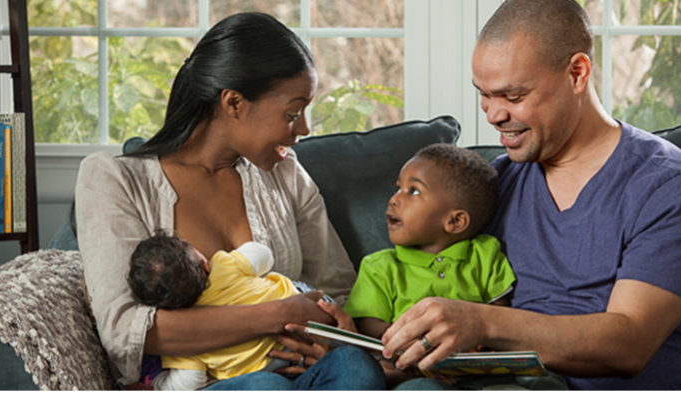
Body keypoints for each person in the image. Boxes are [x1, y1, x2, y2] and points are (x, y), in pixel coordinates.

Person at [381, 0, 681, 391]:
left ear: (577, 73)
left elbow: (629, 344)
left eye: (512, 97)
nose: (493, 114)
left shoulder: (671, 187)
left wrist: (481, 322)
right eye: (484, 94)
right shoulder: (493, 185)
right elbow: (434, 287)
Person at [75, 12, 384, 391]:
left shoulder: (285, 174)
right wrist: (278, 314)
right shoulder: (114, 180)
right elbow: (125, 330)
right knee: (264, 389)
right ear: (234, 103)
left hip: (297, 374)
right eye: (292, 112)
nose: (303, 129)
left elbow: (336, 291)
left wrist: (334, 337)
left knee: (354, 368)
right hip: (203, 382)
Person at [343, 144, 519, 387]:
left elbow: (499, 313)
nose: (394, 199)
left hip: (474, 371)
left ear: (455, 221)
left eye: (413, 191)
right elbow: (367, 323)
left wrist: (483, 343)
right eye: (398, 189)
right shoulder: (379, 266)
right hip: (410, 367)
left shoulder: (485, 252)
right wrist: (413, 342)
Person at [127, 231, 334, 390]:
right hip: (307, 311)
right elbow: (264, 255)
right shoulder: (223, 266)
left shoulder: (185, 337)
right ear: (203, 265)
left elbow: (190, 382)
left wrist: (159, 384)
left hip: (267, 367)